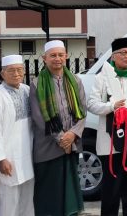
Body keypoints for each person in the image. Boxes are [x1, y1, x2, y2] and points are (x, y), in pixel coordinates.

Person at [87, 37, 127, 216]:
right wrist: (111, 107)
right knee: (112, 184)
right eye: (123, 53)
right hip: (111, 140)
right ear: (113, 56)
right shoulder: (102, 78)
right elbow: (91, 104)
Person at [30, 40, 86, 216]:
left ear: (66, 56)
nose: (57, 59)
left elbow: (82, 112)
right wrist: (62, 139)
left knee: (69, 198)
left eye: (60, 55)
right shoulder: (37, 83)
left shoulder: (75, 80)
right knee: (49, 198)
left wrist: (73, 134)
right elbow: (39, 117)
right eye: (53, 55)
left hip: (72, 145)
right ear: (44, 58)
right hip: (48, 148)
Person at [0, 55, 34, 216]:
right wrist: (1, 159)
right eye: (11, 70)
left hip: (28, 156)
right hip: (8, 158)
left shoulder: (27, 90)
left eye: (19, 70)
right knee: (7, 203)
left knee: (28, 202)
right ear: (2, 74)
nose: (16, 74)